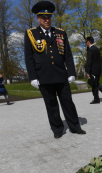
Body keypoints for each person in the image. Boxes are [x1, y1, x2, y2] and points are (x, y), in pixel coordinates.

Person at [24, 1, 85, 139]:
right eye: (44, 18)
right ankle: (57, 129)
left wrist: (71, 72)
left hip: (61, 74)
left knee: (68, 102)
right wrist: (33, 77)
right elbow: (28, 57)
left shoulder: (60, 33)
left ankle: (75, 126)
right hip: (43, 76)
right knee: (51, 105)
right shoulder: (31, 34)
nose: (47, 20)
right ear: (38, 18)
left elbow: (68, 54)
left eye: (49, 17)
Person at [85, 37, 102, 104]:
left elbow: (89, 62)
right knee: (94, 83)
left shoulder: (90, 50)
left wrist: (88, 72)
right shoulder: (97, 49)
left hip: (93, 70)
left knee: (93, 84)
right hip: (98, 69)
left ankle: (97, 99)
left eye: (86, 42)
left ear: (88, 42)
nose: (86, 43)